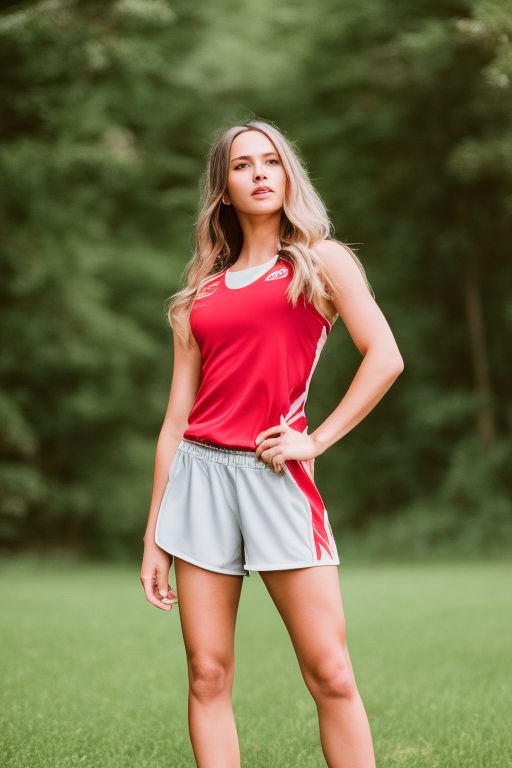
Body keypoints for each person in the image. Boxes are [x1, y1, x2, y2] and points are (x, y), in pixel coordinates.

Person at [140, 118, 404, 768]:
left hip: (274, 474)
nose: (259, 173)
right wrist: (154, 535)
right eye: (242, 165)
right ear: (223, 189)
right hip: (198, 482)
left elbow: (385, 357)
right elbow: (176, 420)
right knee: (207, 674)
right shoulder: (199, 293)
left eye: (271, 161)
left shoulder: (320, 261)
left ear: (288, 174)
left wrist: (316, 439)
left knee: (331, 672)